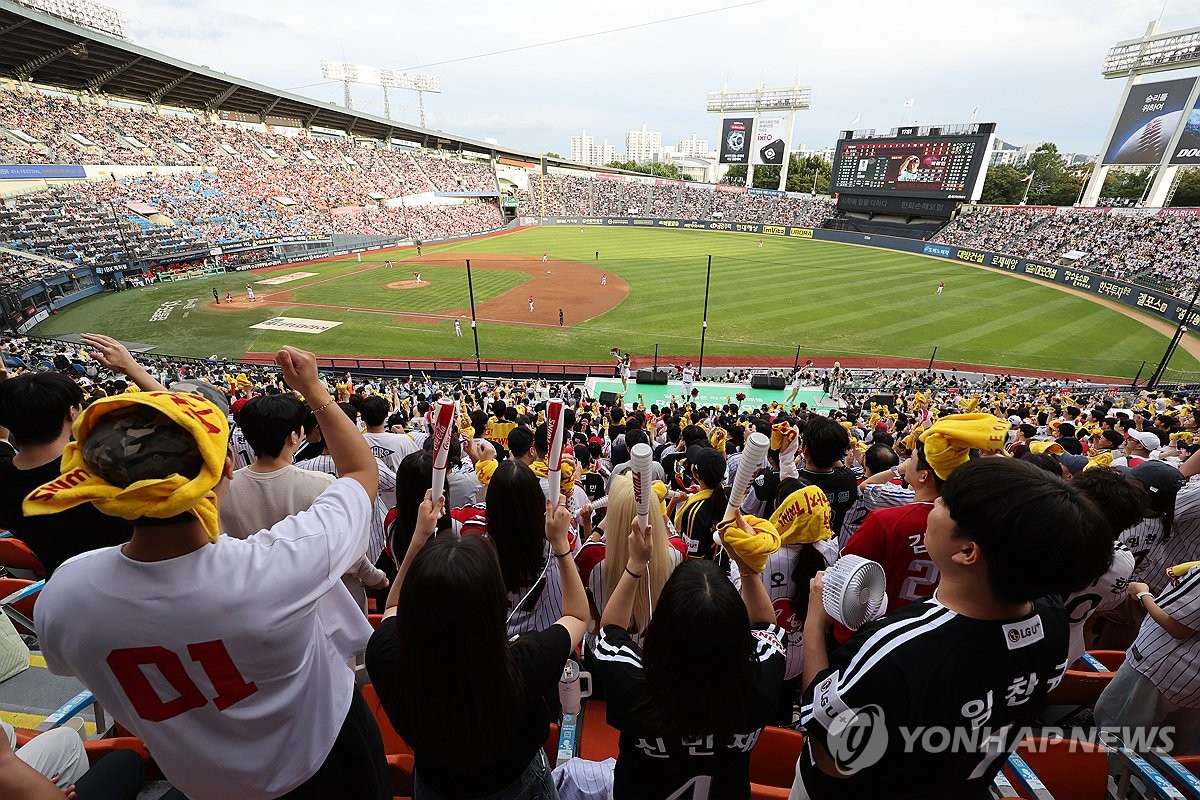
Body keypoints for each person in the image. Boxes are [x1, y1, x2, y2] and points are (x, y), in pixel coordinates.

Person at [29, 346, 390, 800]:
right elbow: (359, 470)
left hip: (203, 783)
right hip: (326, 763)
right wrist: (314, 389)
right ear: (225, 469)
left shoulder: (66, 594)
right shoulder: (280, 566)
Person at [790, 458, 1114, 799]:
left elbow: (832, 757)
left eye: (945, 503)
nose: (933, 504)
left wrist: (815, 622)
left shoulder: (897, 647)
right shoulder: (1051, 617)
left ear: (967, 550)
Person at [366, 493, 587, 799]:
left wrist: (418, 540)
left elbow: (392, 608)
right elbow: (577, 615)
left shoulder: (385, 657)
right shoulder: (522, 665)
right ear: (495, 606)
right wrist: (561, 545)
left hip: (434, 787)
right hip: (517, 788)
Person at [592, 513, 786, 799]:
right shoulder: (761, 684)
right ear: (739, 638)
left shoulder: (633, 687)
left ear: (661, 630)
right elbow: (766, 627)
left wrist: (635, 565)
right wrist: (747, 569)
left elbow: (610, 630)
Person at [0, 333, 161, 574]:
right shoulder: (111, 468)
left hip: (67, 591)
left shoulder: (3, 476)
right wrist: (133, 369)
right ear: (71, 413)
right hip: (138, 584)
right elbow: (199, 428)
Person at [674, 446, 728, 562]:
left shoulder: (694, 513)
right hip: (719, 565)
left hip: (701, 572)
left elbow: (691, 557)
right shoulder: (726, 494)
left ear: (696, 475)